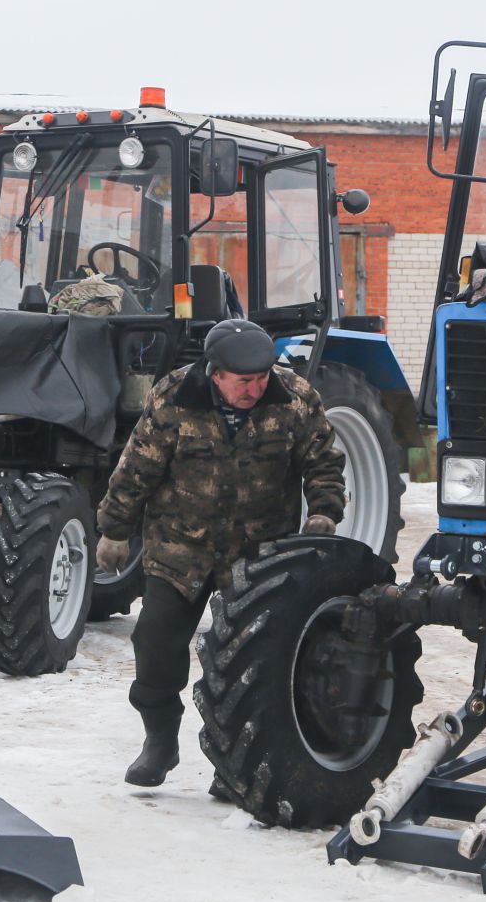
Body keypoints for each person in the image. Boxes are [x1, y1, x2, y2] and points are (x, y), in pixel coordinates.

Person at [95, 318, 346, 787]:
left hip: (257, 556)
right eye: (244, 381)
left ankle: (234, 764)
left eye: (261, 378)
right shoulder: (173, 398)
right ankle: (159, 742)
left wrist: (325, 512)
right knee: (155, 644)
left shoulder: (294, 398)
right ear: (215, 373)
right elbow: (137, 467)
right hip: (179, 547)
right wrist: (114, 529)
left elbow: (323, 461)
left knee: (249, 664)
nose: (255, 388)